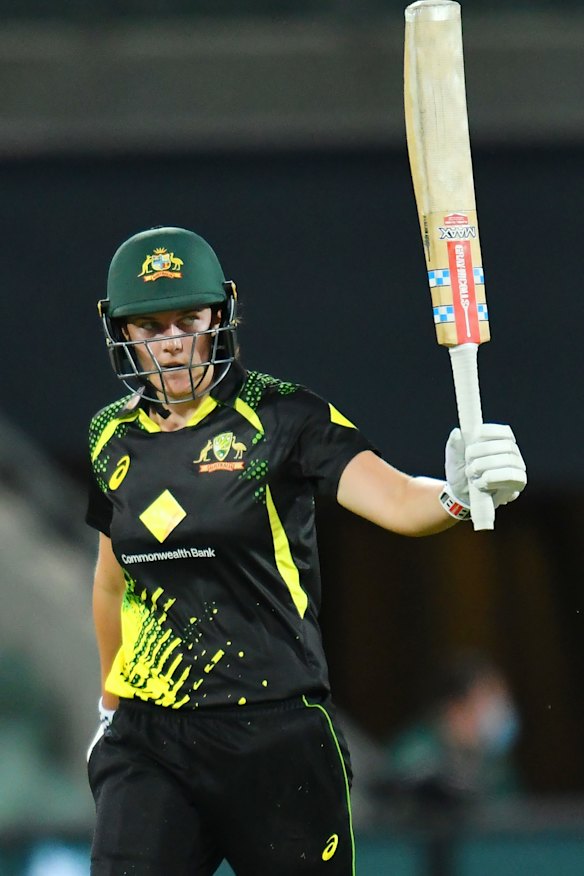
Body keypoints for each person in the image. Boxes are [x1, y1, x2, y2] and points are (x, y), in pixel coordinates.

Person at [85, 226, 527, 876]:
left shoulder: (283, 416)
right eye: (151, 327)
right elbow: (110, 583)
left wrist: (455, 498)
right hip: (152, 738)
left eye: (188, 320)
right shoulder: (109, 435)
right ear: (122, 332)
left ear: (220, 315)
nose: (173, 343)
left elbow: (398, 499)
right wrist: (110, 703)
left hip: (277, 733)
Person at [373, 653, 522, 826]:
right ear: (456, 706)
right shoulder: (413, 756)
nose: (499, 710)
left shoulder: (495, 764)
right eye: (490, 697)